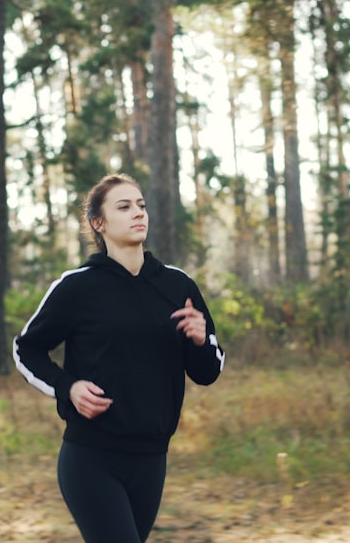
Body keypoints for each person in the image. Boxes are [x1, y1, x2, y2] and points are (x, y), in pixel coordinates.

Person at [13, 173, 225, 542]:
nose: (137, 213)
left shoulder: (177, 285)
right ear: (99, 223)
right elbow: (26, 348)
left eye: (141, 205)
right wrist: (68, 387)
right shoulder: (77, 286)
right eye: (124, 207)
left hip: (152, 457)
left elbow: (207, 372)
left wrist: (199, 338)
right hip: (91, 456)